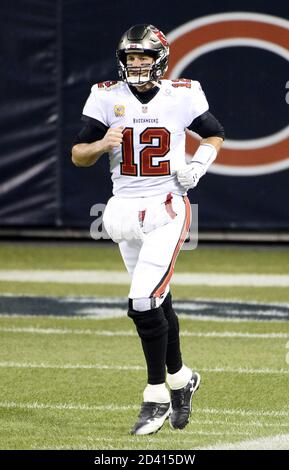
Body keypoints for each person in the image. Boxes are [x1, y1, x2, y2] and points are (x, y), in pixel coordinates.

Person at [71, 24, 224, 435]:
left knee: (141, 303)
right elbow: (78, 154)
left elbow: (214, 132)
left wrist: (198, 165)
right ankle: (182, 379)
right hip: (122, 210)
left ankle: (155, 394)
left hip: (167, 208)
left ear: (159, 58)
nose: (135, 64)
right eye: (130, 57)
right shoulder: (106, 95)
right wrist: (102, 145)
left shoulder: (183, 93)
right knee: (158, 302)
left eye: (142, 56)